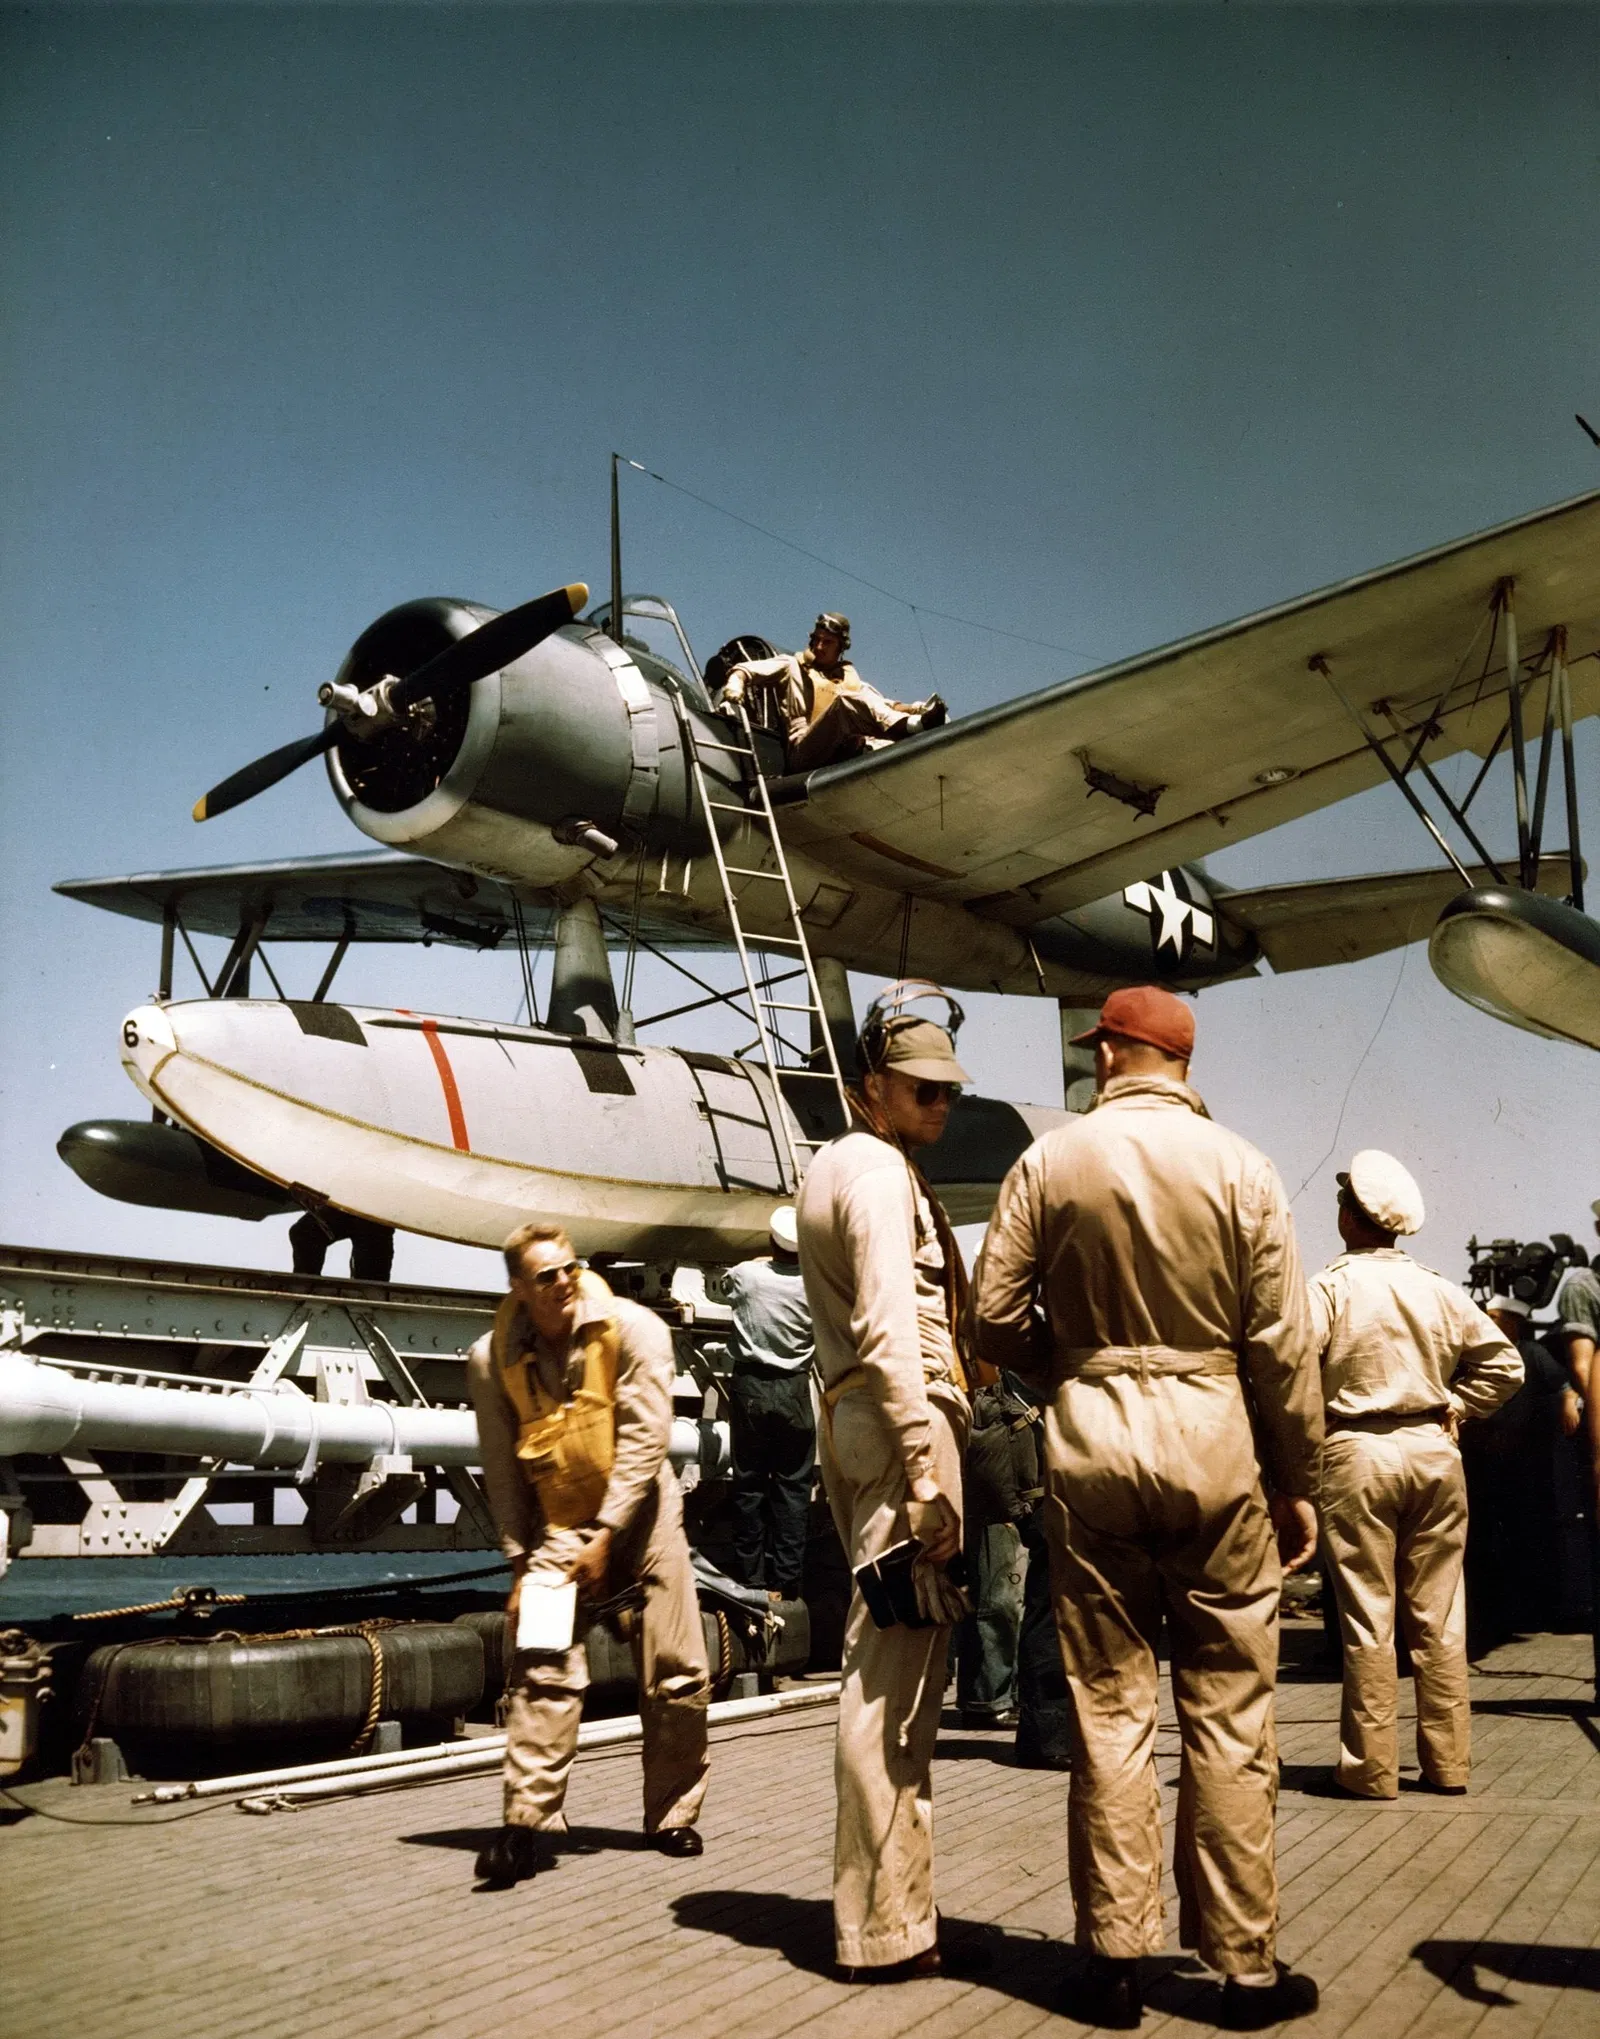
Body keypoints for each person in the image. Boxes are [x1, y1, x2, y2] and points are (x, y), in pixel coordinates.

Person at [972, 983, 1323, 2033]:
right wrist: (1295, 1474)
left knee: (1111, 1711)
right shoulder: (1244, 1167)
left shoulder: (1049, 1160)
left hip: (1089, 1444)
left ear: (1121, 1051)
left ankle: (1114, 1959)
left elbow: (992, 1316)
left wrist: (1072, 1367)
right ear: (1181, 1059)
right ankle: (1242, 1965)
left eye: (1100, 1047)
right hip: (1214, 1441)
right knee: (1226, 1710)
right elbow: (1281, 1344)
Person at [794, 981, 982, 1982]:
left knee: (894, 1677)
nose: (939, 1105)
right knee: (888, 1689)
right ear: (873, 1086)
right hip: (901, 1435)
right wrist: (924, 1476)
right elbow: (885, 1327)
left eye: (946, 1089)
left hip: (860, 1428)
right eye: (919, 1089)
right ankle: (879, 1926)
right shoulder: (873, 1171)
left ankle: (896, 1909)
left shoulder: (843, 1163)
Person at [465, 1222, 710, 1886]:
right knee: (540, 1667)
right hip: (563, 1523)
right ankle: (526, 1825)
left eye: (569, 1267)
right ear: (519, 1286)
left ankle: (673, 1814)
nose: (564, 1280)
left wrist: (609, 1532)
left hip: (645, 1514)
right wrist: (522, 1562)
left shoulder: (635, 1330)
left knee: (677, 1671)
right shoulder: (491, 1359)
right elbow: (502, 1467)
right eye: (547, 1275)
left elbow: (645, 1439)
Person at [1311, 1152, 1522, 1809]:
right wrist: (1457, 1403)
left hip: (1357, 1450)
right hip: (1433, 1450)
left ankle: (1370, 1770)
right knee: (1439, 1614)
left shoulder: (1329, 1287)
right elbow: (1505, 1365)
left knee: (1369, 1616)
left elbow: (1288, 1366)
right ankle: (1448, 1762)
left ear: (1351, 1216)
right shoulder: (1437, 1288)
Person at [1461, 1295, 1576, 1653]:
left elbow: (1562, 1385)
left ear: (1512, 1323)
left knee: (1522, 1540)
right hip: (1481, 1462)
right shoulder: (1475, 1354)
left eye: (1495, 1317)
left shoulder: (1532, 1354)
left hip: (1522, 1467)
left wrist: (1571, 1401)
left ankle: (1524, 1614)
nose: (1488, 1322)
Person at [723, 1204, 816, 1602]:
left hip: (751, 1389)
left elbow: (724, 1286)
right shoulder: (814, 1285)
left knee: (749, 1484)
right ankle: (787, 1581)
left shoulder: (748, 1277)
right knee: (793, 1488)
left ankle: (750, 1578)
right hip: (794, 1390)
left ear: (770, 1242)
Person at [720, 613, 946, 772]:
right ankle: (914, 728)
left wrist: (915, 708)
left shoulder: (850, 683)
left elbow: (883, 706)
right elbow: (746, 670)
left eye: (827, 642)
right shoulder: (792, 666)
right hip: (805, 751)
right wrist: (735, 683)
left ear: (841, 648)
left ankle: (918, 725)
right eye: (816, 640)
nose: (819, 647)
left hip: (847, 749)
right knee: (846, 703)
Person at [955, 1371, 1038, 1730]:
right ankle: (987, 1698)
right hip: (998, 1506)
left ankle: (998, 1693)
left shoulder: (1007, 1384)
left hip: (1009, 1502)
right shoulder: (988, 1390)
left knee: (1005, 1600)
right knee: (997, 1601)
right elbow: (990, 1451)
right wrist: (1011, 1506)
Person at [289, 1206, 395, 1282]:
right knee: (304, 1231)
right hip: (349, 1198)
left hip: (377, 1208)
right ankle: (305, 1285)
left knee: (371, 1284)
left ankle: (372, 1294)